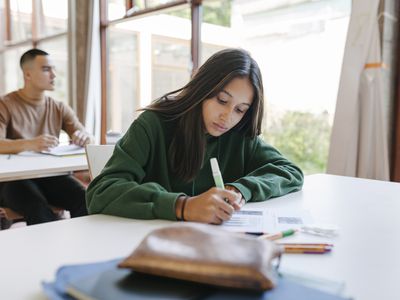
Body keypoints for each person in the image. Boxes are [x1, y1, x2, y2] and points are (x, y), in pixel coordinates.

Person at [86, 48, 304, 224]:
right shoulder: (153, 125)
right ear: (202, 90)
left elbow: (290, 172)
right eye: (222, 100)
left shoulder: (240, 136)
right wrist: (182, 206)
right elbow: (101, 192)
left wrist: (240, 189)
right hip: (150, 246)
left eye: (240, 109)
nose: (228, 117)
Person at [0, 48, 93, 226]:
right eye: (46, 69)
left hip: (50, 176)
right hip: (13, 180)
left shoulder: (59, 107)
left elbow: (86, 135)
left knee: (85, 198)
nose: (54, 75)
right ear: (27, 74)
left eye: (53, 69)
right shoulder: (5, 105)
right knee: (36, 205)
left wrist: (84, 136)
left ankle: (87, 250)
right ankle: (51, 253)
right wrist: (31, 144)